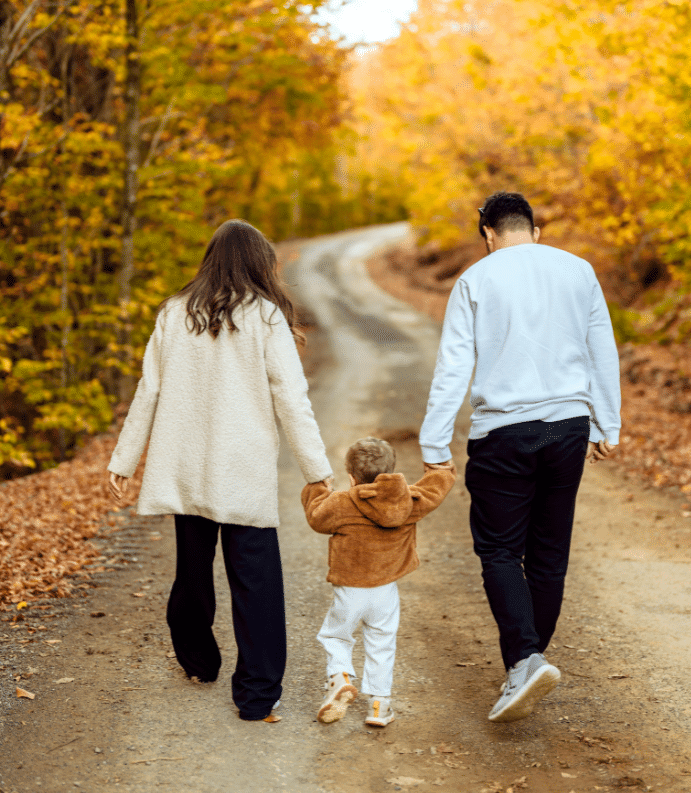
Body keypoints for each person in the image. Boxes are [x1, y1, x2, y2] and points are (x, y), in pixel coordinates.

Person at [107, 219, 333, 723]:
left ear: (210, 260)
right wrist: (316, 469)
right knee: (256, 582)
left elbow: (148, 390)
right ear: (259, 263)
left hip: (185, 466)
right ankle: (256, 695)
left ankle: (198, 661)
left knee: (192, 569)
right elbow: (291, 399)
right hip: (241, 469)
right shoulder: (266, 316)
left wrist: (124, 458)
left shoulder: (174, 313)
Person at [419, 191, 621, 723]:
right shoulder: (578, 271)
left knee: (501, 551)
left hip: (503, 433)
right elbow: (601, 349)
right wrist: (608, 423)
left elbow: (453, 366)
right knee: (549, 554)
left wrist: (434, 445)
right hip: (568, 428)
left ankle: (526, 661)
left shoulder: (475, 280)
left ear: (488, 234)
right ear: (534, 230)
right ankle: (529, 660)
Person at [302, 437, 455, 727]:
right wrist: (442, 469)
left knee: (336, 636)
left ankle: (340, 678)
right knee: (381, 643)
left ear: (351, 477)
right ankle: (379, 706)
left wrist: (318, 486)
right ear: (390, 472)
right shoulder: (406, 500)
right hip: (385, 591)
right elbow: (433, 491)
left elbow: (316, 517)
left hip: (350, 589)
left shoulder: (341, 503)